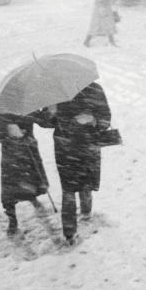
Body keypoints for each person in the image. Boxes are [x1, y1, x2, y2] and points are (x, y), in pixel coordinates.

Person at [37, 82, 112, 244]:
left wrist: (92, 119)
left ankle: (86, 211)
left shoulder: (94, 89)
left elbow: (106, 119)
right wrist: (50, 112)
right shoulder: (54, 92)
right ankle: (69, 233)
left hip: (88, 146)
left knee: (86, 185)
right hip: (65, 148)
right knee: (68, 190)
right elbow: (44, 122)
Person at [0, 112, 51, 237]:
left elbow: (44, 121)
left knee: (31, 182)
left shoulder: (29, 104)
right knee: (10, 189)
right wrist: (9, 131)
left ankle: (32, 196)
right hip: (12, 155)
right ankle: (12, 220)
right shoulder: (5, 109)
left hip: (29, 152)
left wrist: (50, 111)